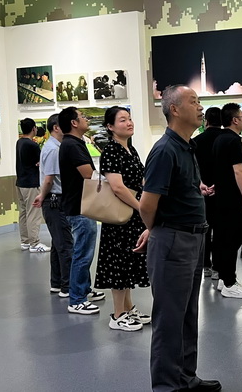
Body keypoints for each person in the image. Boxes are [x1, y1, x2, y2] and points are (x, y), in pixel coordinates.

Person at [136, 85, 221, 392]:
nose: (200, 107)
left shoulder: (187, 147)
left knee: (187, 314)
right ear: (174, 109)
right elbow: (147, 205)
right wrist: (158, 229)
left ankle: (186, 377)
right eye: (193, 101)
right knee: (170, 319)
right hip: (174, 241)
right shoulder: (165, 150)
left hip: (193, 239)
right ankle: (166, 387)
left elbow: (177, 189)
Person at [94, 106, 151, 331]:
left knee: (128, 263)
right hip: (119, 218)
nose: (129, 123)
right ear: (110, 126)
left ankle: (128, 308)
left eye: (129, 118)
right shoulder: (111, 151)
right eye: (122, 120)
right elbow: (117, 187)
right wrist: (140, 207)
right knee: (118, 264)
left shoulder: (130, 149)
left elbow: (141, 179)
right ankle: (118, 315)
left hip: (132, 217)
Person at [58, 106, 105, 315]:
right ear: (74, 123)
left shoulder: (76, 143)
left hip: (80, 205)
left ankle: (84, 288)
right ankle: (77, 299)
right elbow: (88, 174)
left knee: (85, 251)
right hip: (79, 207)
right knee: (83, 253)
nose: (86, 119)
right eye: (82, 116)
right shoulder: (71, 145)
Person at [211, 103, 242, 299]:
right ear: (235, 120)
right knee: (233, 239)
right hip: (231, 197)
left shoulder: (219, 139)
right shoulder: (234, 140)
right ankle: (229, 282)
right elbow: (238, 170)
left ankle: (223, 278)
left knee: (222, 238)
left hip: (220, 196)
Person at [32, 114, 74, 299]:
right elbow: (49, 179)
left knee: (58, 245)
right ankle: (68, 287)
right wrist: (42, 196)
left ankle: (57, 283)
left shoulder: (55, 147)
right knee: (65, 245)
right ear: (56, 127)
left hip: (55, 200)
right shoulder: (53, 150)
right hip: (55, 201)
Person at [192, 107, 222, 279]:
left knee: (205, 229)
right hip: (222, 191)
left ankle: (205, 265)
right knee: (220, 230)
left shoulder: (196, 141)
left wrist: (202, 185)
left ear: (206, 121)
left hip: (202, 190)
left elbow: (193, 168)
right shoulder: (227, 140)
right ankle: (218, 267)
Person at [16, 118, 49, 253]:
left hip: (20, 183)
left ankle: (25, 241)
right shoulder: (32, 145)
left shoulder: (19, 142)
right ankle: (34, 243)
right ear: (34, 128)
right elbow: (41, 162)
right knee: (33, 214)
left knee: (24, 213)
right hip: (31, 184)